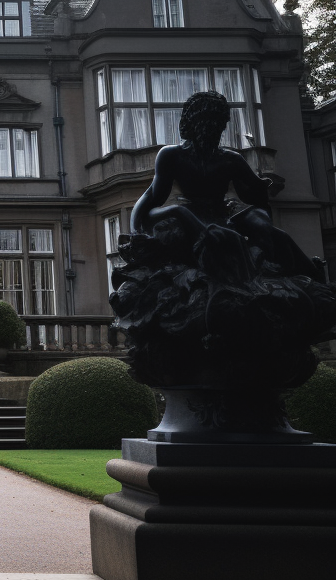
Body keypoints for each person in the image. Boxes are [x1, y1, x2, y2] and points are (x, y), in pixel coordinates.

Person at [111, 90, 335, 389]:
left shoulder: (231, 159)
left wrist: (259, 202)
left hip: (222, 215)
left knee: (268, 230)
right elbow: (151, 200)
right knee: (225, 238)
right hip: (191, 218)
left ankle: (311, 273)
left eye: (217, 122)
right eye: (208, 121)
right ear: (192, 123)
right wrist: (154, 224)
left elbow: (254, 197)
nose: (212, 128)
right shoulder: (172, 155)